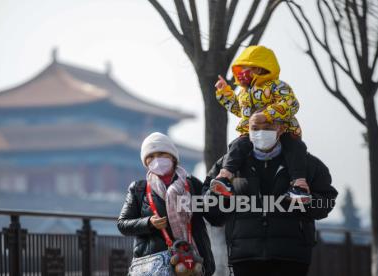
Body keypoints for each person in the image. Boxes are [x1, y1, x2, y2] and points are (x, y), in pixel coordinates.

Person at [203, 112, 338, 276]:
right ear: (247, 130)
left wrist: (308, 201)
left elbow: (326, 202)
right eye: (255, 128)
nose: (261, 133)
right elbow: (210, 211)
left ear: (280, 129)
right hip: (245, 257)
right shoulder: (228, 165)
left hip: (291, 256)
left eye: (267, 128)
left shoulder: (306, 164)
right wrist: (219, 195)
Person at [214, 45, 310, 202]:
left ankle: (299, 186)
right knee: (236, 146)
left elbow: (291, 103)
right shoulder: (244, 92)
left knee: (296, 147)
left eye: (245, 67)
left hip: (283, 130)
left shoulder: (277, 86)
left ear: (258, 68)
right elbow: (240, 110)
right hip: (250, 133)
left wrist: (266, 115)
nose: (241, 72)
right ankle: (224, 177)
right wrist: (224, 93)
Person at [117, 132, 218, 275]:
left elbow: (215, 217)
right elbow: (122, 224)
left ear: (172, 157)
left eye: (161, 154)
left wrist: (220, 197)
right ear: (145, 162)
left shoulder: (192, 185)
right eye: (150, 157)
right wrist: (149, 223)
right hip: (155, 266)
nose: (156, 160)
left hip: (192, 262)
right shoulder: (138, 189)